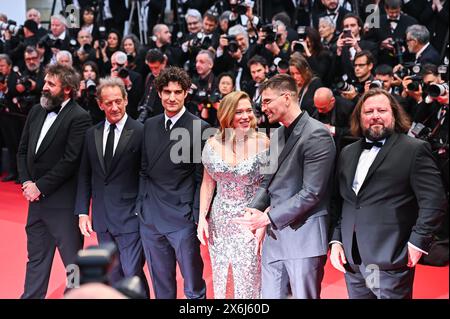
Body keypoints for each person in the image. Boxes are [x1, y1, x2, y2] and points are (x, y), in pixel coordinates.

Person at [329, 89, 447, 299]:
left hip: (391, 259)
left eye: (381, 110)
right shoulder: (347, 152)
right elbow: (343, 202)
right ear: (359, 117)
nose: (375, 115)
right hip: (352, 261)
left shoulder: (414, 149)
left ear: (394, 114)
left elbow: (434, 201)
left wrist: (417, 243)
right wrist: (337, 241)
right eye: (368, 111)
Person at [234, 74, 336, 299]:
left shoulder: (317, 134)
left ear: (287, 97)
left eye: (268, 101)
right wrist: (254, 210)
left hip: (304, 235)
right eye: (262, 102)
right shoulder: (279, 134)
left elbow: (312, 193)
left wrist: (266, 218)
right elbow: (267, 181)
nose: (263, 107)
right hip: (274, 236)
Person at [17, 64, 92, 298]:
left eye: (51, 84)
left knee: (73, 265)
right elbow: (22, 151)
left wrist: (40, 187)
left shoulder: (80, 117)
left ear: (67, 90)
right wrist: (28, 182)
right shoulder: (36, 111)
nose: (44, 87)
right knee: (36, 259)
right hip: (36, 204)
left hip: (64, 206)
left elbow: (71, 161)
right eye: (45, 82)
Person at [137, 66, 210, 299]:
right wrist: (142, 207)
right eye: (166, 91)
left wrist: (196, 216)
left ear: (186, 93)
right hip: (151, 219)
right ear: (158, 93)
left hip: (182, 220)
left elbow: (203, 178)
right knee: (162, 286)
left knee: (193, 287)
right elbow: (144, 169)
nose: (171, 97)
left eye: (178, 92)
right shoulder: (149, 125)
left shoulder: (200, 128)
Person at [74, 77, 149, 297]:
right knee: (112, 273)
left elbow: (146, 176)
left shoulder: (140, 131)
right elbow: (85, 175)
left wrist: (141, 209)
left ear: (126, 100)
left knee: (132, 273)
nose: (114, 107)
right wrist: (82, 212)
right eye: (109, 103)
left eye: (118, 101)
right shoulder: (92, 133)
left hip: (130, 217)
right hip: (102, 218)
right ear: (100, 104)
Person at [197, 91, 269, 299]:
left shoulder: (264, 142)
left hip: (250, 221)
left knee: (249, 279)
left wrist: (263, 221)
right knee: (222, 277)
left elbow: (271, 185)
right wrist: (202, 217)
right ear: (227, 115)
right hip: (220, 222)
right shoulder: (212, 144)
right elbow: (208, 182)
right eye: (239, 112)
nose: (246, 116)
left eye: (248, 111)